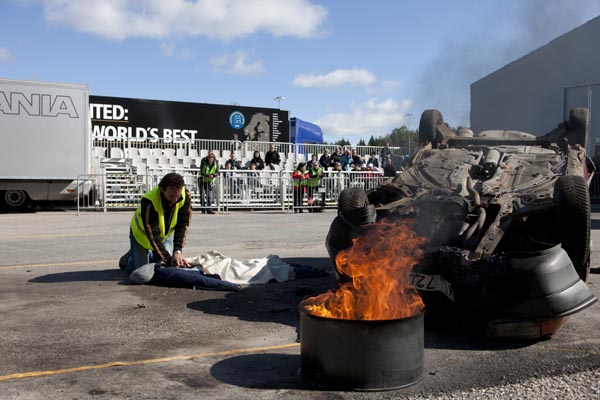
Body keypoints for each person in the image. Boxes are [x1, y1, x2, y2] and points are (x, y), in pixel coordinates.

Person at [122, 172, 192, 273]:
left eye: (178, 196)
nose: (175, 200)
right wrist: (168, 259)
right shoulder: (149, 201)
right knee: (141, 271)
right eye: (171, 196)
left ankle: (147, 254)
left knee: (162, 265)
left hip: (163, 237)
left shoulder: (185, 197)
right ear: (162, 189)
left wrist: (177, 250)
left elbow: (182, 225)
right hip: (141, 237)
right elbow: (153, 235)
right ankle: (127, 258)